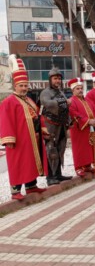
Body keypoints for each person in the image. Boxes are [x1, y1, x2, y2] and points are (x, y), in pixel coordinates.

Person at [0, 55, 47, 200]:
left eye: (26, 85)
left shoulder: (29, 100)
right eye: (21, 86)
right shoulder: (9, 101)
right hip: (18, 139)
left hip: (33, 138)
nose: (24, 88)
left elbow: (38, 115)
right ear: (15, 86)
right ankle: (15, 191)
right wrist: (9, 138)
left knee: (31, 161)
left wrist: (43, 129)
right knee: (18, 163)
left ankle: (31, 186)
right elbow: (5, 120)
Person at [40, 67, 73, 185]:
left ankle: (58, 174)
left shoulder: (60, 92)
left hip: (62, 125)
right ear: (50, 79)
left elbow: (65, 108)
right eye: (55, 78)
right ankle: (50, 177)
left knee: (61, 149)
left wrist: (69, 120)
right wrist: (63, 102)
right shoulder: (45, 92)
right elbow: (47, 103)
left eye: (59, 78)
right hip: (51, 126)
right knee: (51, 150)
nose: (57, 81)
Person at [67, 77, 95, 177]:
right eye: (78, 88)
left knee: (89, 147)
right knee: (80, 148)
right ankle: (78, 167)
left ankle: (87, 165)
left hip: (90, 128)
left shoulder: (87, 100)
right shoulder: (71, 101)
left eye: (81, 88)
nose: (80, 90)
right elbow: (74, 114)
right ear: (73, 90)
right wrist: (88, 121)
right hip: (79, 129)